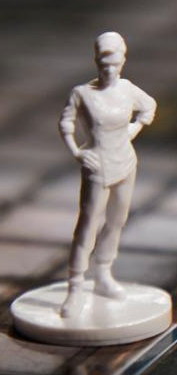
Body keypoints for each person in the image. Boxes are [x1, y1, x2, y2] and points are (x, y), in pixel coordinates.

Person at [60, 31, 156, 318]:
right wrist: (77, 151)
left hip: (125, 161)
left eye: (115, 64)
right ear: (97, 63)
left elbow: (149, 106)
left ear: (123, 61)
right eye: (104, 65)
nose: (110, 70)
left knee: (117, 220)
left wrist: (134, 128)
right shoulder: (83, 93)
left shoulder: (127, 89)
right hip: (97, 164)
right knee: (88, 223)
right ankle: (75, 285)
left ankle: (103, 273)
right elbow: (66, 122)